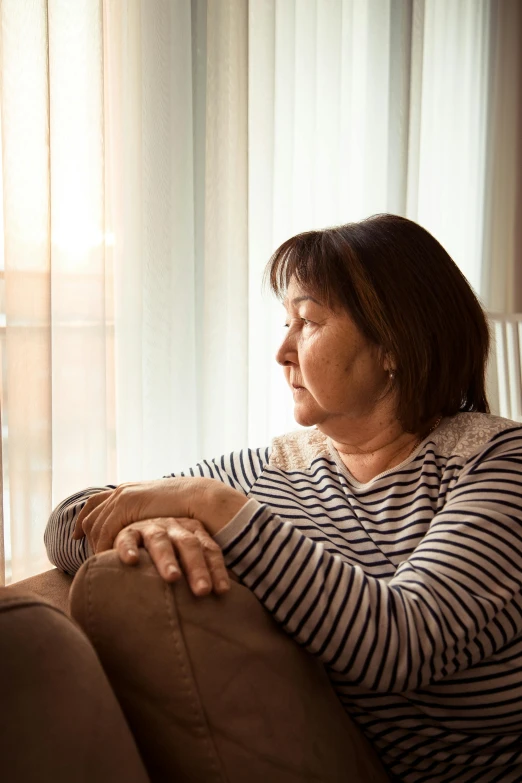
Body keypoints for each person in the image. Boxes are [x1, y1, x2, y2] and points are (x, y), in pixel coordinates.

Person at [45, 213, 522, 783]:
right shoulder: (271, 473)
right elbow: (68, 522)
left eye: (308, 321)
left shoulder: (499, 463)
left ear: (394, 344)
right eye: (284, 321)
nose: (282, 351)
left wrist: (208, 504)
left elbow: (403, 641)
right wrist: (142, 526)